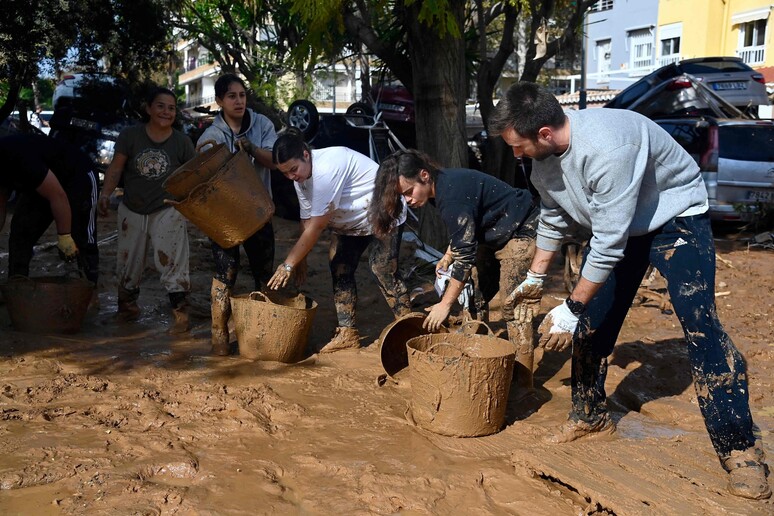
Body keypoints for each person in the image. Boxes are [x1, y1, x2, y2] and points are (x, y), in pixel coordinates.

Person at [488, 81, 771, 500]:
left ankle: (740, 450)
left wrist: (570, 304)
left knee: (700, 326)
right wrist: (534, 278)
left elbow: (607, 243)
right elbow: (553, 215)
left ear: (544, 133)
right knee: (592, 322)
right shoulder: (542, 159)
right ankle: (589, 416)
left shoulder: (608, 147)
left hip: (675, 219)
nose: (515, 154)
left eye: (518, 145)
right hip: (621, 226)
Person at [368, 149, 539, 386]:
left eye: (408, 193)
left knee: (514, 305)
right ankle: (476, 354)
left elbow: (465, 258)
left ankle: (523, 381)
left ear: (424, 175)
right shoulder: (439, 190)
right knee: (474, 295)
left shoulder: (450, 195)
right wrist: (449, 254)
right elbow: (466, 227)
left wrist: (444, 305)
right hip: (491, 231)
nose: (407, 200)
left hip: (522, 227)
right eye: (402, 197)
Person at [268, 128, 411, 353]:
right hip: (351, 221)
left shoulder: (326, 168)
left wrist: (288, 264)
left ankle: (409, 328)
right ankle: (347, 332)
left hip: (384, 211)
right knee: (340, 266)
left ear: (306, 154)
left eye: (293, 170)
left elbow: (317, 226)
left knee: (381, 267)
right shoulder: (301, 179)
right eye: (285, 173)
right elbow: (305, 219)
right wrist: (301, 259)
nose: (291, 177)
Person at [98, 87, 196, 333]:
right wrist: (105, 194)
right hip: (132, 208)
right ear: (149, 108)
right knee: (128, 263)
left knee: (173, 261)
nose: (166, 112)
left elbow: (195, 176)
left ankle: (181, 314)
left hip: (167, 209)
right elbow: (116, 168)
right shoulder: (130, 136)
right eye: (161, 106)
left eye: (171, 108)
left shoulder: (182, 141)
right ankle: (127, 309)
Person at [196, 74, 278, 356]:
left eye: (242, 95)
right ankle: (219, 337)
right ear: (219, 101)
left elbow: (276, 162)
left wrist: (252, 149)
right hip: (224, 219)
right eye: (232, 96)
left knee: (264, 275)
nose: (239, 101)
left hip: (258, 213)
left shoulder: (263, 125)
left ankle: (261, 336)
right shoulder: (210, 137)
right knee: (225, 274)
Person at [0, 134, 98, 285]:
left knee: (81, 236)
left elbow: (58, 197)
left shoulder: (19, 157)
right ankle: (17, 286)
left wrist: (64, 236)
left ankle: (90, 289)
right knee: (21, 232)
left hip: (76, 176)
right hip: (40, 184)